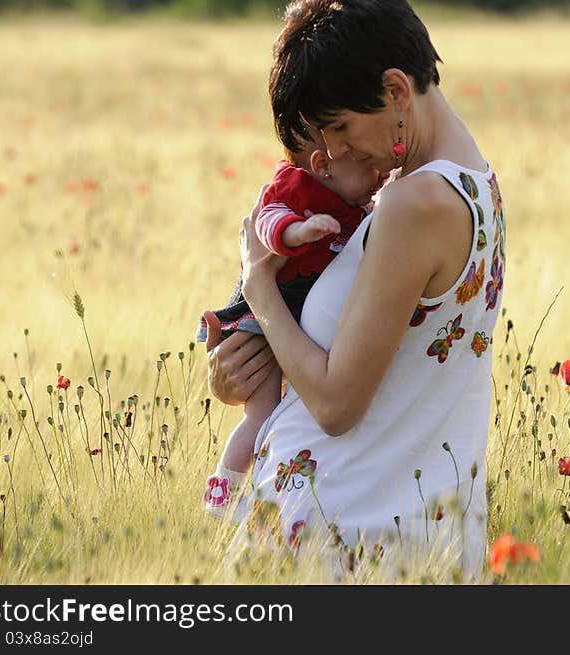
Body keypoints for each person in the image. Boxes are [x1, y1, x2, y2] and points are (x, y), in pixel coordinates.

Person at [205, 0, 506, 580]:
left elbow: (337, 405)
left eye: (340, 127)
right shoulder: (473, 182)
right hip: (399, 534)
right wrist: (244, 369)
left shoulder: (414, 205)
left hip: (351, 541)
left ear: (396, 90)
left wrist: (258, 289)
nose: (336, 153)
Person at [196, 131, 386, 518]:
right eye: (367, 165)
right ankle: (223, 489)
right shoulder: (296, 186)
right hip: (264, 319)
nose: (378, 173)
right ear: (323, 165)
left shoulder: (354, 200)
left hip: (287, 315)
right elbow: (266, 222)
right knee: (260, 412)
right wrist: (300, 231)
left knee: (277, 409)